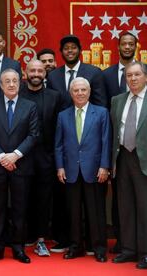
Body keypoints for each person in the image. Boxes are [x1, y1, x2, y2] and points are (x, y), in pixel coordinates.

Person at [0, 69, 39, 264]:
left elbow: (33, 135)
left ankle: (18, 247)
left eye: (15, 81)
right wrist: (1, 157)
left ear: (20, 83)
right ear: (0, 85)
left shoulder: (30, 106)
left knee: (20, 208)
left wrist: (15, 156)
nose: (11, 84)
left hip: (21, 165)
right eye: (7, 81)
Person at [55, 77, 110, 263]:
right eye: (76, 90)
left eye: (83, 90)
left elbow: (106, 141)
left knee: (96, 212)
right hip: (70, 170)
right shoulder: (63, 115)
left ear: (89, 92)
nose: (79, 93)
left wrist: (104, 166)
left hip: (94, 170)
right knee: (73, 212)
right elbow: (59, 145)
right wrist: (60, 166)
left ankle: (99, 248)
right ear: (71, 93)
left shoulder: (101, 113)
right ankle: (75, 246)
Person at [19, 60, 62, 256]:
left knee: (44, 200)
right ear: (25, 73)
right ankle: (25, 236)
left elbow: (59, 129)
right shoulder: (16, 93)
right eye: (32, 70)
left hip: (46, 157)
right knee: (22, 198)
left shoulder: (55, 97)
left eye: (40, 70)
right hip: (21, 157)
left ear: (45, 73)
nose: (36, 73)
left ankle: (41, 239)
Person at [102, 32, 138, 254]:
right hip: (118, 148)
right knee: (121, 199)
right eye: (123, 43)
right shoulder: (106, 76)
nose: (127, 47)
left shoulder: (144, 72)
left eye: (131, 44)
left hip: (141, 149)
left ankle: (142, 246)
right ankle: (124, 243)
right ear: (117, 46)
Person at [110, 61, 147, 270]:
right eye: (129, 76)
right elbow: (114, 133)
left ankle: (145, 253)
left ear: (145, 77)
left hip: (144, 160)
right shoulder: (117, 100)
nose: (132, 79)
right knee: (125, 206)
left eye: (136, 75)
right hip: (123, 158)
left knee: (144, 208)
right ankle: (129, 250)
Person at [47, 34, 107, 109]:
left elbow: (100, 104)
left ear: (80, 50)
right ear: (61, 52)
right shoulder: (53, 76)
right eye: (66, 48)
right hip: (60, 120)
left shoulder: (94, 72)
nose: (70, 51)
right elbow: (50, 106)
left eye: (74, 47)